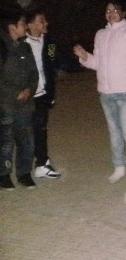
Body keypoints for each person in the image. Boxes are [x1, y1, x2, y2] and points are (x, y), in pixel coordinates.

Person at [73, 0, 126, 188]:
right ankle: (119, 166)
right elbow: (97, 63)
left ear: (123, 13)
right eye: (108, 10)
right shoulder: (101, 34)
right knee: (114, 132)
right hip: (106, 92)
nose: (111, 13)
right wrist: (85, 57)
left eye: (115, 10)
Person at [25, 10, 78, 180]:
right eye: (41, 21)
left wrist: (82, 61)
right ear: (30, 25)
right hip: (23, 96)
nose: (46, 23)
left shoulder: (49, 43)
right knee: (21, 132)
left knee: (40, 129)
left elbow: (59, 61)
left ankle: (42, 164)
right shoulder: (21, 43)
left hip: (41, 93)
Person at [0, 10, 39, 190]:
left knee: (26, 140)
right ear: (12, 27)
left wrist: (29, 90)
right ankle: (4, 175)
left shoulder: (26, 47)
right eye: (22, 24)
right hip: (6, 103)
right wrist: (15, 92)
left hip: (25, 103)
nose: (25, 27)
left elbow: (34, 73)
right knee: (6, 141)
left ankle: (24, 174)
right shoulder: (2, 47)